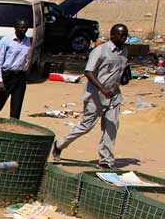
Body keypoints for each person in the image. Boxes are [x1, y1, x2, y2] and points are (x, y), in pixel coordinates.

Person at [53, 24, 131, 168]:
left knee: (111, 128)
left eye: (126, 35)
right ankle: (59, 144)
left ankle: (106, 160)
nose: (124, 38)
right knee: (86, 126)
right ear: (112, 35)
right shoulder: (100, 50)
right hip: (96, 96)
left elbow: (122, 69)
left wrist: (124, 77)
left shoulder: (124, 51)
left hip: (113, 96)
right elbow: (88, 72)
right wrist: (102, 88)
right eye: (122, 35)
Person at [0, 19, 32, 119]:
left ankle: (14, 125)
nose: (23, 30)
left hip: (20, 77)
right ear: (15, 28)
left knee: (17, 106)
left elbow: (27, 59)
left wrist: (25, 71)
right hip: (7, 76)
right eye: (21, 27)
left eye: (25, 28)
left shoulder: (27, 41)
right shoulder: (6, 40)